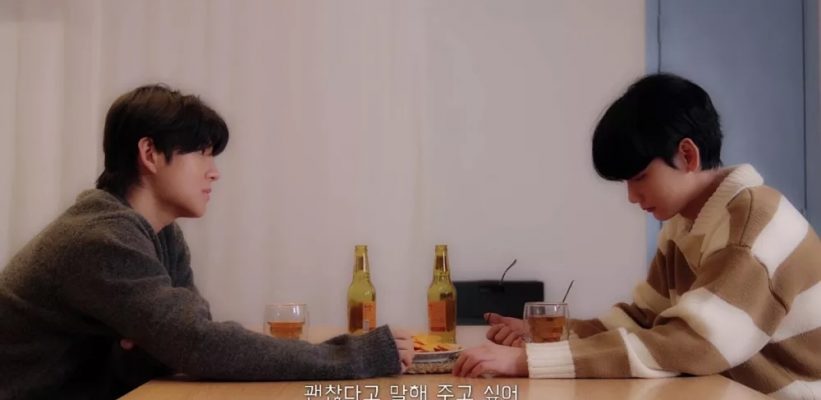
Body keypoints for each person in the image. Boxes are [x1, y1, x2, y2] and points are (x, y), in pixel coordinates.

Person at [0, 84, 414, 399]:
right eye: (201, 153)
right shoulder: (101, 238)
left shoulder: (162, 234)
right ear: (149, 153)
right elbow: (199, 344)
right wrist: (354, 355)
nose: (214, 171)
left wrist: (164, 339)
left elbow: (187, 337)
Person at [453, 73, 821, 399]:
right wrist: (549, 336)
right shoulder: (685, 224)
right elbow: (644, 320)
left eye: (640, 177)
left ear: (687, 155)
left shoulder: (753, 224)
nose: (632, 196)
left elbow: (694, 345)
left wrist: (528, 361)